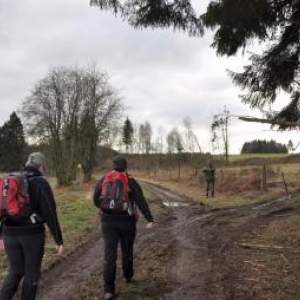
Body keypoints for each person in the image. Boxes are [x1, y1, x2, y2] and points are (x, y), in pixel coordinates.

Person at [0, 152, 64, 300]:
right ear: (41, 167)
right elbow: (50, 212)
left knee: (15, 270)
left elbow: (3, 209)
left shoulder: (13, 181)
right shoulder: (40, 182)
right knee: (32, 273)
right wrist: (58, 240)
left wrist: (1, 235)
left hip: (9, 233)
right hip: (32, 235)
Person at [93, 156, 154, 300]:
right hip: (127, 221)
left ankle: (109, 290)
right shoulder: (130, 180)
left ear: (113, 166)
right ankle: (128, 276)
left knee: (109, 255)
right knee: (127, 250)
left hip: (107, 222)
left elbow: (96, 199)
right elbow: (140, 200)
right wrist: (149, 218)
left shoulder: (104, 179)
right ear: (125, 167)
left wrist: (107, 209)